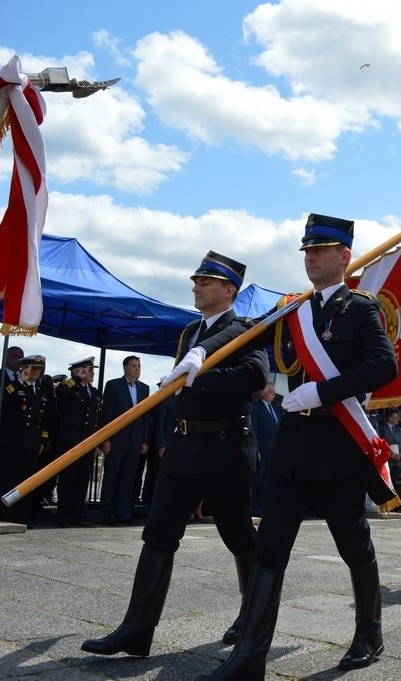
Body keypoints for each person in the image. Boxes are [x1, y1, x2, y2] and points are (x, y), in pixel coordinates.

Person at [185, 214, 398, 679]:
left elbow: (385, 366)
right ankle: (250, 656)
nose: (311, 258)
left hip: (339, 443)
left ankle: (370, 633)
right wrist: (202, 350)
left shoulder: (361, 309)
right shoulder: (292, 308)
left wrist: (324, 391)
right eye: (306, 251)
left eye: (320, 250)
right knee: (270, 547)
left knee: (352, 542)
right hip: (294, 443)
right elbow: (242, 331)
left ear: (345, 257)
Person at [81, 251, 268, 659]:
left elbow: (255, 376)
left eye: (206, 282)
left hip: (225, 448)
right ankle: (136, 630)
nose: (196, 287)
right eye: (196, 281)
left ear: (229, 290)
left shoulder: (245, 328)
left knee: (238, 537)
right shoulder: (189, 333)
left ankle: (252, 617)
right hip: (185, 449)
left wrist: (198, 378)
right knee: (158, 535)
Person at [0, 354, 48, 524]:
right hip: (12, 442)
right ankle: (6, 514)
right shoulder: (14, 387)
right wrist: (19, 381)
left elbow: (44, 418)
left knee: (27, 481)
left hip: (30, 444)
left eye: (39, 369)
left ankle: (22, 515)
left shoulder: (40, 391)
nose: (36, 372)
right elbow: (2, 404)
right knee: (9, 480)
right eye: (33, 368)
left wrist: (42, 440)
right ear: (24, 369)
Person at [99, 356, 152, 525]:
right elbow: (107, 413)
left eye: (139, 366)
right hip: (117, 440)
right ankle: (108, 513)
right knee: (111, 478)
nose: (137, 369)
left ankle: (124, 513)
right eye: (134, 366)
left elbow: (144, 416)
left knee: (128, 480)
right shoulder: (114, 385)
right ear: (125, 368)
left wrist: (145, 440)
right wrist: (105, 439)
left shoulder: (144, 388)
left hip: (135, 441)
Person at [54, 357, 103, 527]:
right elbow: (61, 396)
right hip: (71, 442)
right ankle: (64, 516)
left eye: (91, 370)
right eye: (88, 370)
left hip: (88, 442)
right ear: (79, 371)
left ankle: (78, 514)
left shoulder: (95, 392)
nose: (92, 373)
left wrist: (97, 443)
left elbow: (96, 419)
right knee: (67, 480)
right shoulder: (69, 388)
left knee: (82, 480)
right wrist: (75, 379)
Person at [250, 383, 282, 516]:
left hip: (273, 451)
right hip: (262, 451)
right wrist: (256, 449)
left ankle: (264, 506)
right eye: (271, 392)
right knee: (258, 480)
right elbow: (254, 429)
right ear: (263, 393)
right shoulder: (256, 408)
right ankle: (255, 507)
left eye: (274, 392)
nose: (273, 394)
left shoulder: (276, 408)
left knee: (268, 481)